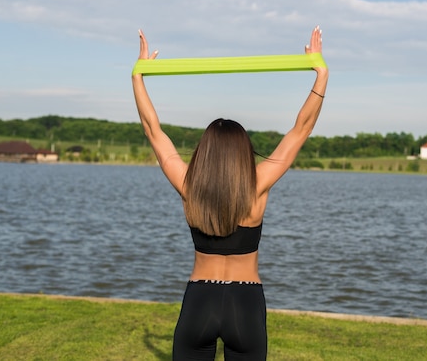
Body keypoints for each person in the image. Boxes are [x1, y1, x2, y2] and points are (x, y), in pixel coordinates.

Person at [131, 26, 328, 360]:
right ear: (243, 151)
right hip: (245, 304)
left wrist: (139, 75)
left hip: (199, 302)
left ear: (204, 152)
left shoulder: (188, 183)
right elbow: (301, 129)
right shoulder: (258, 182)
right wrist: (320, 72)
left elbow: (153, 131)